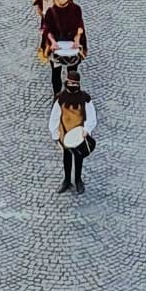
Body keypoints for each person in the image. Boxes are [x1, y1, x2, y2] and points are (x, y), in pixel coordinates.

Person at [49, 64, 95, 195]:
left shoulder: (85, 98)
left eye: (75, 83)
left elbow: (91, 116)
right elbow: (54, 117)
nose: (72, 85)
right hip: (65, 133)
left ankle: (78, 180)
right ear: (66, 82)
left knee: (79, 157)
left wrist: (87, 130)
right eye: (70, 83)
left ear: (78, 84)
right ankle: (67, 180)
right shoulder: (60, 98)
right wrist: (56, 135)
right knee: (67, 156)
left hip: (79, 132)